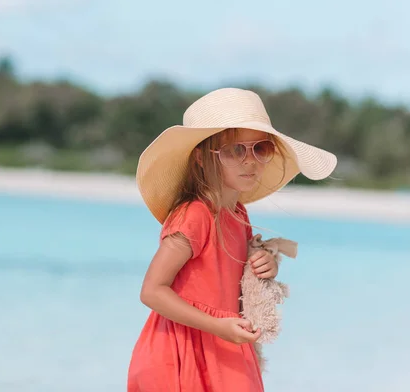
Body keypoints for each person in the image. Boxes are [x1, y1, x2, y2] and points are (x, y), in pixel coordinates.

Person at [127, 88, 337, 392]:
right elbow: (151, 291)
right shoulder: (195, 215)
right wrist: (216, 326)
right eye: (235, 150)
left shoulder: (238, 213)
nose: (250, 161)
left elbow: (236, 280)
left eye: (260, 149)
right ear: (201, 157)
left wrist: (266, 266)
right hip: (182, 350)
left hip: (227, 343)